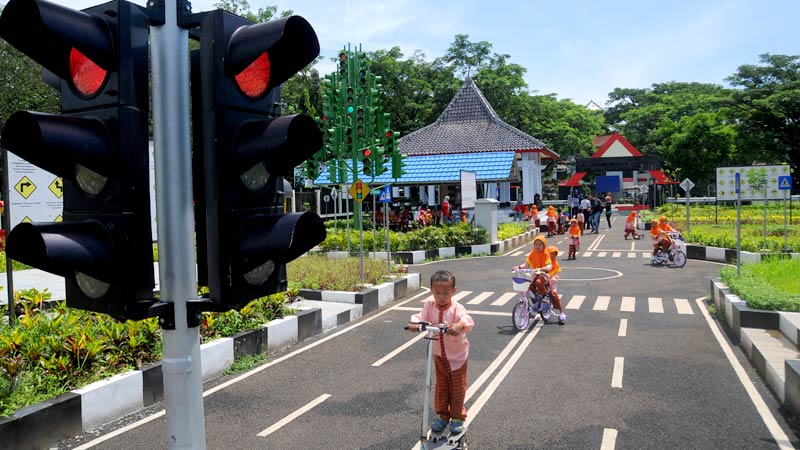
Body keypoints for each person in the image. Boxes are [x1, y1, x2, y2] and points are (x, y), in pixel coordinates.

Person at [408, 270, 474, 435]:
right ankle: (442, 416)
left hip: (457, 357)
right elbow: (420, 317)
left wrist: (459, 326)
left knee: (457, 389)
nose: (441, 296)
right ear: (431, 291)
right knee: (441, 387)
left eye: (446, 292)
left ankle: (457, 417)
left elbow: (468, 320)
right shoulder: (429, 305)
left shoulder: (457, 308)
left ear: (454, 291)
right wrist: (415, 323)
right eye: (437, 293)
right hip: (439, 356)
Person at [546, 246, 566, 324]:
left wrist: (551, 280)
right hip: (544, 281)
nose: (553, 256)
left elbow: (557, 275)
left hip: (551, 284)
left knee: (554, 294)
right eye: (551, 254)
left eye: (555, 254)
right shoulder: (545, 262)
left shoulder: (556, 265)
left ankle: (561, 312)